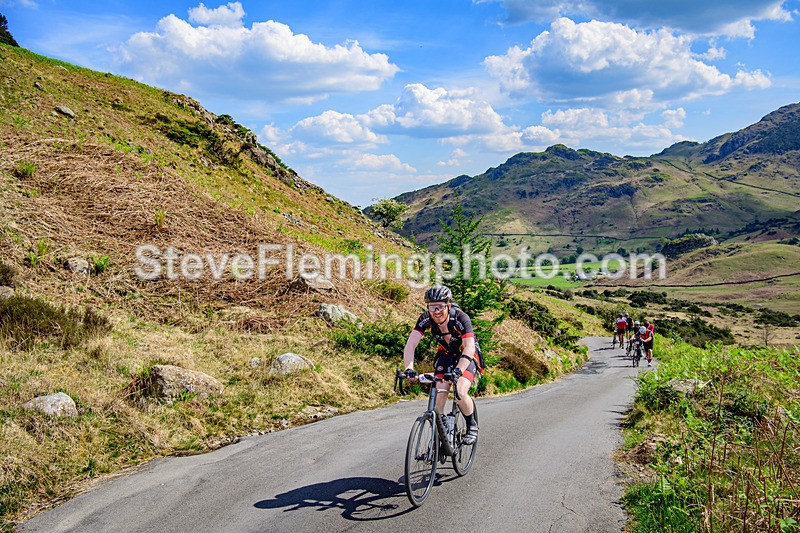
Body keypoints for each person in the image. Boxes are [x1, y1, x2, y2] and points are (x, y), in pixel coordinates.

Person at [402, 285, 481, 445]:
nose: (436, 311)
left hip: (466, 355)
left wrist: (459, 370)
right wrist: (409, 368)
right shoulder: (425, 318)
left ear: (448, 305)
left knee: (459, 390)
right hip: (446, 354)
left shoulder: (460, 318)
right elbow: (411, 345)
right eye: (432, 307)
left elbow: (469, 347)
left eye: (440, 307)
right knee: (440, 393)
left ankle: (471, 424)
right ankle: (443, 429)